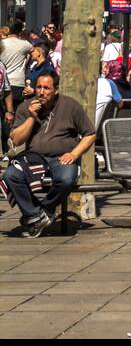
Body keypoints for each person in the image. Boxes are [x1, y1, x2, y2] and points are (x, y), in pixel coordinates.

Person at [4, 72, 96, 236]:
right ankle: (36, 215)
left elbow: (90, 134)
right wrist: (32, 117)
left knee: (65, 179)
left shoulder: (70, 106)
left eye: (46, 88)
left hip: (62, 157)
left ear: (56, 90)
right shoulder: (26, 107)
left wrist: (74, 154)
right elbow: (16, 140)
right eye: (39, 87)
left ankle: (43, 212)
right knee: (11, 175)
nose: (41, 92)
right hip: (34, 157)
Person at [0, 20, 32, 111]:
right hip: (18, 82)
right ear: (20, 31)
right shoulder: (25, 44)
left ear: (9, 29)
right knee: (17, 113)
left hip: (3, 82)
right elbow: (37, 54)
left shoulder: (2, 43)